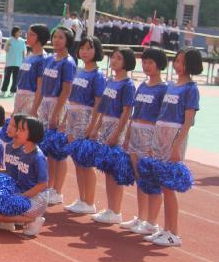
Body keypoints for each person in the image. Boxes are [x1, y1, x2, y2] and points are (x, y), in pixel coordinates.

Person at [146, 47, 202, 247]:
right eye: (177, 61)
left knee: (169, 187)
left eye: (182, 62)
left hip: (174, 137)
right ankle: (165, 228)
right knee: (162, 184)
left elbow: (188, 122)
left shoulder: (191, 89)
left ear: (191, 65)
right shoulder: (171, 85)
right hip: (160, 135)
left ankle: (174, 232)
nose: (178, 66)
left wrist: (176, 146)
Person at [120, 47, 168, 237]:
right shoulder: (142, 86)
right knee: (140, 179)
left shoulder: (163, 89)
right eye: (144, 62)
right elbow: (134, 114)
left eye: (150, 62)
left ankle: (152, 222)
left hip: (150, 135)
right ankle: (141, 217)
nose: (146, 66)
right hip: (136, 132)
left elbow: (161, 119)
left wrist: (154, 143)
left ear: (160, 64)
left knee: (151, 180)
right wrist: (128, 136)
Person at [89, 48, 136, 225]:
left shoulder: (127, 85)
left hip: (116, 127)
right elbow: (103, 108)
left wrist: (117, 133)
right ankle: (110, 208)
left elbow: (126, 112)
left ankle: (115, 210)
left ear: (127, 62)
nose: (114, 60)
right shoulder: (110, 81)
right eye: (113, 57)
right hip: (105, 126)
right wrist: (96, 127)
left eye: (119, 58)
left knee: (115, 170)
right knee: (108, 169)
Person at [61, 37, 106, 214]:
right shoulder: (79, 72)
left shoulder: (98, 75)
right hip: (72, 116)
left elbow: (98, 103)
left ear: (97, 51)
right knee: (77, 160)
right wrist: (65, 120)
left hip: (86, 118)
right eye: (82, 48)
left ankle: (90, 201)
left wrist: (92, 126)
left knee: (86, 162)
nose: (85, 51)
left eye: (89, 48)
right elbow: (71, 98)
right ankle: (82, 198)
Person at [32, 26, 76, 206]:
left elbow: (67, 90)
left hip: (59, 104)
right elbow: (41, 87)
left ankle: (57, 189)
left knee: (58, 151)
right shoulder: (49, 59)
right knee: (47, 149)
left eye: (60, 37)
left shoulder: (68, 62)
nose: (56, 40)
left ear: (68, 41)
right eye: (54, 37)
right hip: (45, 104)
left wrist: (57, 113)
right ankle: (48, 185)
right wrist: (36, 107)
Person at [0, 115, 49, 236]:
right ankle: (7, 223)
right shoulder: (23, 151)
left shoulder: (38, 157)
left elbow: (43, 184)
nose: (18, 132)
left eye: (21, 130)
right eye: (18, 129)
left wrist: (22, 196)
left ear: (33, 133)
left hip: (37, 198)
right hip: (22, 193)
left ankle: (32, 219)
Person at [13, 24, 50, 116]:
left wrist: (34, 109)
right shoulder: (28, 56)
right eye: (27, 34)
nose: (27, 37)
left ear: (40, 37)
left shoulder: (43, 59)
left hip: (31, 99)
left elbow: (40, 87)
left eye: (31, 34)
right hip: (19, 96)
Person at [0, 26, 25, 98]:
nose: (20, 33)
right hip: (9, 63)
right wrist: (8, 45)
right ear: (15, 32)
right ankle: (3, 91)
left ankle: (12, 91)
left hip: (18, 63)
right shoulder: (9, 40)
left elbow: (23, 51)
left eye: (20, 31)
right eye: (18, 31)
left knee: (16, 79)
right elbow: (6, 50)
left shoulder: (22, 41)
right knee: (7, 77)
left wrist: (24, 61)